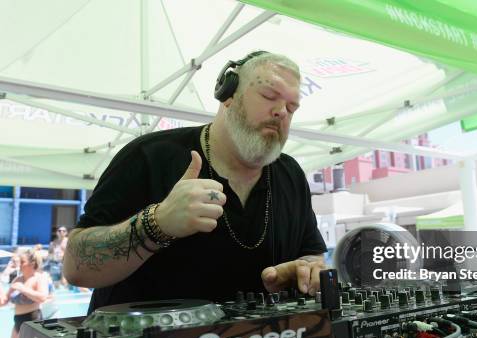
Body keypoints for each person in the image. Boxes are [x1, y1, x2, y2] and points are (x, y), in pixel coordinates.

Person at [63, 51, 327, 313]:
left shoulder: (290, 174)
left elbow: (312, 255)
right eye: (269, 96)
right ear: (228, 95)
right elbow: (76, 267)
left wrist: (305, 271)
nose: (282, 111)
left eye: (292, 107)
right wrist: (156, 224)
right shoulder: (149, 156)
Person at [0, 249, 49, 338]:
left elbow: (43, 297)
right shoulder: (17, 280)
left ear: (32, 263)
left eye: (22, 261)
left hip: (33, 320)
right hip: (18, 321)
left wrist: (23, 289)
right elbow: (3, 302)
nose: (19, 264)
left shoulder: (39, 278)